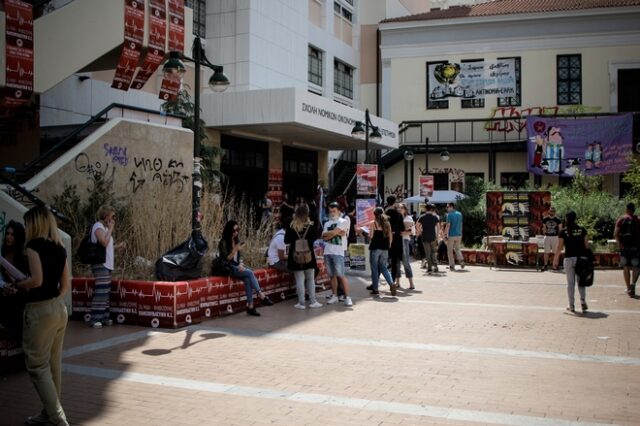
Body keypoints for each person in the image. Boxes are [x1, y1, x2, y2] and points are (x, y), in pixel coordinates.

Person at [11, 206, 70, 426]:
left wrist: (18, 284)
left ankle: (57, 419)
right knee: (53, 364)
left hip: (39, 310)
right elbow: (65, 285)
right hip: (58, 308)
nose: (26, 228)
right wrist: (53, 299)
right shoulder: (59, 246)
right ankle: (48, 413)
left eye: (27, 224)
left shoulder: (33, 246)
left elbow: (36, 280)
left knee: (37, 365)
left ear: (34, 223)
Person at [219, 220, 274, 316]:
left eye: (237, 230)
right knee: (249, 273)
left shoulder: (237, 240)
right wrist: (235, 249)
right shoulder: (223, 242)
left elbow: (240, 256)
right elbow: (226, 259)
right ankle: (261, 295)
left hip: (236, 266)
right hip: (228, 268)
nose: (236, 232)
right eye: (234, 230)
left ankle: (250, 306)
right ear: (229, 230)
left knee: (247, 279)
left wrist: (241, 264)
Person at [285, 204, 322, 309]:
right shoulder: (310, 227)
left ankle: (301, 303)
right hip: (309, 256)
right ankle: (313, 301)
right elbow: (315, 237)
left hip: (295, 257)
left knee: (299, 279)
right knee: (310, 279)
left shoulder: (291, 227)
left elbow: (286, 241)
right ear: (307, 214)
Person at [554, 211, 589, 313]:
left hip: (569, 258)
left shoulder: (564, 231)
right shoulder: (582, 230)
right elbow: (587, 246)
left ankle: (571, 305)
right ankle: (582, 301)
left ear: (566, 219)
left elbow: (559, 247)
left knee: (570, 283)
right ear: (575, 218)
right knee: (581, 281)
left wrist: (556, 259)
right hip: (580, 259)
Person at [88, 205, 117, 329]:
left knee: (105, 291)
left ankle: (104, 316)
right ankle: (95, 318)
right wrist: (110, 229)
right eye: (111, 216)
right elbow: (103, 243)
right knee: (101, 290)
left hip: (107, 264)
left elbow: (108, 246)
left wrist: (118, 246)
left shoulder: (104, 227)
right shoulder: (98, 226)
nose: (113, 219)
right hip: (100, 264)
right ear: (105, 216)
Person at [0, 220, 28, 339]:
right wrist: (4, 285)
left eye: (13, 235)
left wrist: (16, 286)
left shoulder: (24, 255)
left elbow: (28, 279)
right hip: (4, 290)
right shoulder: (2, 251)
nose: (9, 237)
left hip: (20, 293)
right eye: (7, 233)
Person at [322, 202, 353, 306]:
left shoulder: (343, 221)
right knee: (332, 276)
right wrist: (335, 233)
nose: (332, 213)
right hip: (327, 252)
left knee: (341, 275)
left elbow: (329, 234)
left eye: (334, 211)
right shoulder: (327, 223)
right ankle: (334, 295)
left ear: (339, 211)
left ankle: (347, 297)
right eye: (330, 211)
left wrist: (330, 234)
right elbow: (323, 236)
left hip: (338, 252)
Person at [367, 208, 394, 296]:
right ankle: (391, 283)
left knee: (374, 269)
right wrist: (388, 246)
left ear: (374, 214)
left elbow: (371, 236)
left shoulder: (373, 223)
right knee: (384, 268)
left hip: (375, 248)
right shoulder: (387, 223)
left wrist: (368, 234)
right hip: (385, 248)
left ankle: (375, 289)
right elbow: (390, 237)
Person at [614, 202, 640, 297]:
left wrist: (619, 244)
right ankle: (633, 284)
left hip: (624, 247)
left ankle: (628, 287)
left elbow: (615, 233)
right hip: (636, 247)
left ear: (626, 209)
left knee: (626, 267)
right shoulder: (638, 219)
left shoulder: (621, 219)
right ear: (634, 210)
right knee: (636, 267)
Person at [385, 196, 404, 290]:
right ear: (394, 202)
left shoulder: (384, 213)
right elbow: (403, 228)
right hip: (396, 240)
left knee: (382, 261)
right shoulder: (398, 214)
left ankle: (375, 283)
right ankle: (392, 281)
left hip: (385, 239)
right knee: (394, 262)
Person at [417, 203, 440, 274]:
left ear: (426, 209)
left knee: (428, 253)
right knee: (434, 252)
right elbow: (438, 226)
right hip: (433, 236)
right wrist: (437, 235)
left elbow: (417, 225)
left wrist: (420, 231)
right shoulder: (435, 217)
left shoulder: (422, 217)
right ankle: (435, 266)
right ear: (432, 209)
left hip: (425, 237)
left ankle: (429, 268)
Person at [398, 203, 415, 290]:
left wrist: (402, 232)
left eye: (401, 208)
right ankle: (397, 283)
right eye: (398, 208)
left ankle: (411, 283)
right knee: (396, 262)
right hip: (397, 241)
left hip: (404, 240)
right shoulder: (397, 218)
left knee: (406, 262)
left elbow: (412, 232)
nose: (399, 209)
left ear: (405, 209)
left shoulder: (408, 218)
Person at [445, 202, 465, 270]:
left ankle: (452, 265)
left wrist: (445, 234)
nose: (446, 208)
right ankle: (461, 261)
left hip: (451, 235)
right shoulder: (459, 214)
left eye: (447, 207)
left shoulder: (449, 215)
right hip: (459, 234)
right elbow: (461, 224)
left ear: (451, 207)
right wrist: (461, 233)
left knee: (449, 250)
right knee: (457, 249)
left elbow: (448, 225)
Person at [542, 206, 562, 271]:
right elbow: (544, 228)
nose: (552, 212)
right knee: (546, 252)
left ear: (555, 212)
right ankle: (545, 265)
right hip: (547, 236)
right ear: (549, 211)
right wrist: (544, 233)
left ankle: (555, 265)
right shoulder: (545, 219)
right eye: (551, 211)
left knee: (555, 252)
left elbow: (560, 229)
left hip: (555, 237)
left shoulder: (558, 220)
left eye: (553, 211)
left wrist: (559, 238)